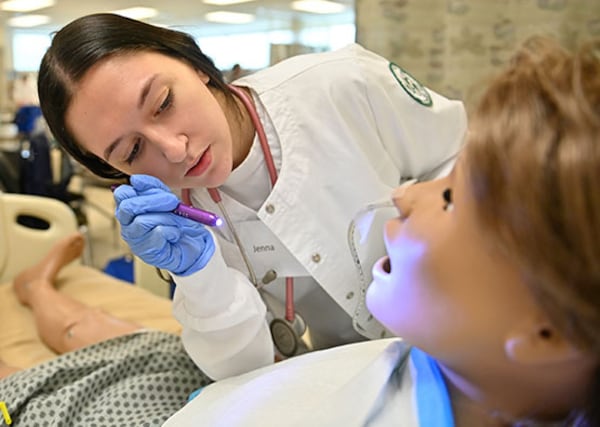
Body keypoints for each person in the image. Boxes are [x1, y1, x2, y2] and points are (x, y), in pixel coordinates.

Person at [162, 37, 600, 426]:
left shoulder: (338, 85)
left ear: (547, 334)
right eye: (129, 150)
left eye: (450, 199)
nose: (404, 197)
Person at [37, 13, 467, 380]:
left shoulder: (340, 87)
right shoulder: (176, 217)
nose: (173, 149)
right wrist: (199, 275)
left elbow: (460, 158)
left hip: (455, 331)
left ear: (196, 66)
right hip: (337, 380)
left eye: (164, 103)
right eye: (132, 152)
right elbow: (241, 370)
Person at [0, 232, 211, 426]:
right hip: (202, 393)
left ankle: (35, 287)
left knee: (38, 403)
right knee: (153, 354)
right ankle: (36, 286)